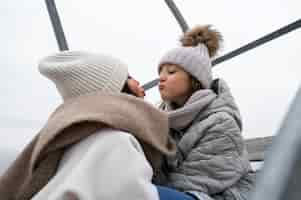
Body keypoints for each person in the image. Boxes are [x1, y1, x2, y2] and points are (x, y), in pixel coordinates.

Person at [0, 51, 176, 200]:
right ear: (114, 90)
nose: (138, 82)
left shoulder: (72, 139)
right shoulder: (116, 142)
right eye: (129, 77)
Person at [154, 25, 255, 200]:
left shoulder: (220, 121)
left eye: (171, 72)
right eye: (160, 72)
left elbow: (194, 181)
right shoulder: (160, 117)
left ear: (194, 79)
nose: (161, 77)